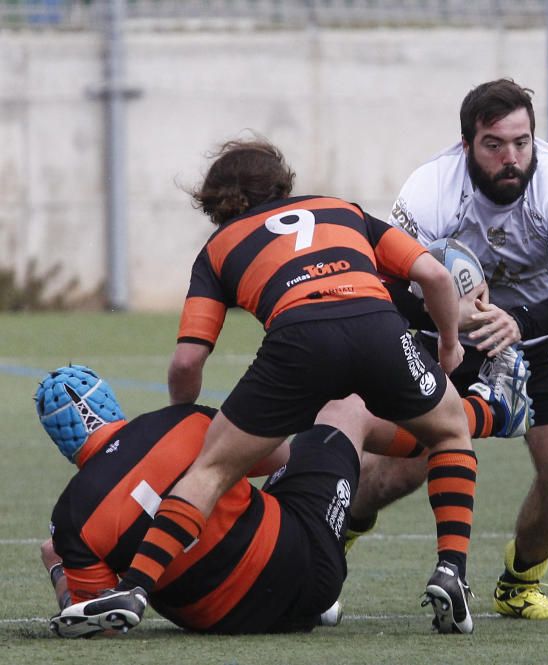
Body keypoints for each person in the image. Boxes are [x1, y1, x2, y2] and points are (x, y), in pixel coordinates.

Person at [51, 137, 481, 636]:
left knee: (209, 471)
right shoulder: (342, 210)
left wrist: (180, 421)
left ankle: (137, 588)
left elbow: (189, 358)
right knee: (449, 433)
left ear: (215, 206)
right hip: (376, 325)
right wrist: (449, 345)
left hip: (298, 339)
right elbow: (434, 274)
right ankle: (452, 571)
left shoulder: (218, 248)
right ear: (282, 183)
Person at [350, 78, 548, 620]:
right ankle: (342, 531)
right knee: (402, 465)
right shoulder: (430, 188)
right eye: (494, 145)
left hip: (542, 331)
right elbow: (388, 287)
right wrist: (446, 314)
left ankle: (520, 582)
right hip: (450, 335)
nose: (511, 158)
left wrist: (518, 322)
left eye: (522, 142)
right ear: (467, 145)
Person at [38, 365, 369, 636]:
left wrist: (57, 565)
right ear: (107, 399)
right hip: (308, 573)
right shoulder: (183, 420)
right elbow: (279, 456)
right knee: (345, 407)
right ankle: (418, 447)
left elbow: (96, 622)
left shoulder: (70, 517)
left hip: (227, 624)